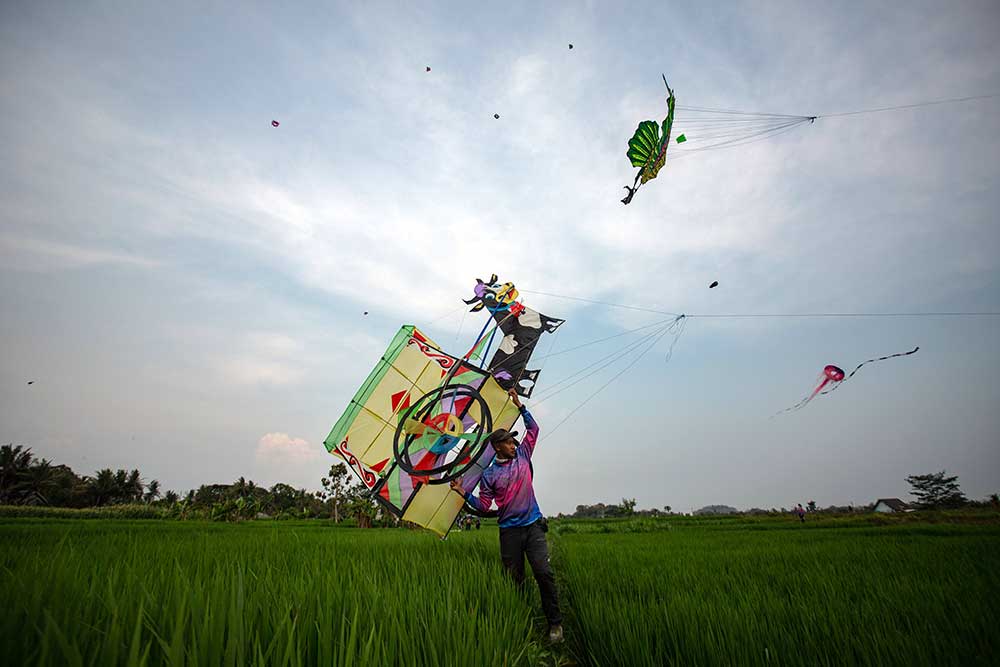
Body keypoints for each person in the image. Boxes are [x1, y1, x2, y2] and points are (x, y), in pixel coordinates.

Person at [450, 388, 563, 643]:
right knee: (515, 580)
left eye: (514, 441)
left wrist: (520, 406)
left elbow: (533, 431)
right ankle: (523, 620)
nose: (514, 445)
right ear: (497, 447)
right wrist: (463, 493)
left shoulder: (523, 455)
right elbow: (484, 505)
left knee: (543, 572)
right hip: (509, 532)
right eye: (509, 442)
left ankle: (555, 624)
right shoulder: (489, 475)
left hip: (533, 526)